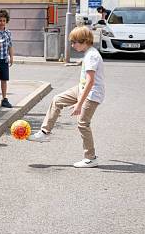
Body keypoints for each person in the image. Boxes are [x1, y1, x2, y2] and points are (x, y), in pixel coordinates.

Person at [28, 26, 105, 168]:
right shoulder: (88, 53)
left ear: (84, 41)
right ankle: (45, 132)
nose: (72, 45)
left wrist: (79, 104)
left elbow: (91, 82)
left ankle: (91, 158)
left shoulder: (92, 56)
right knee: (57, 99)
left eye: (74, 42)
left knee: (83, 123)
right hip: (82, 89)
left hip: (92, 94)